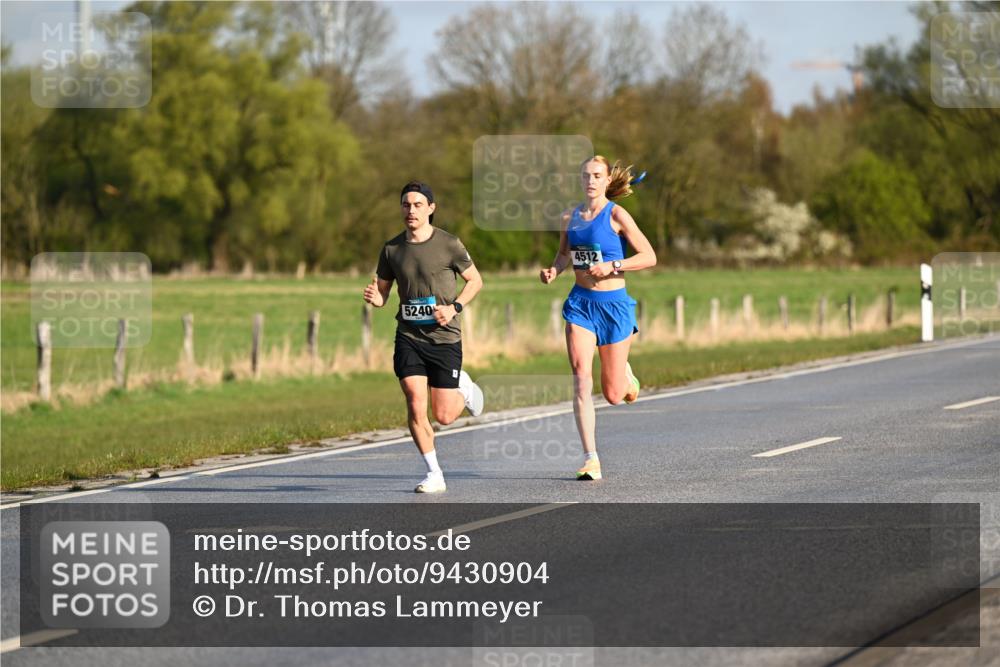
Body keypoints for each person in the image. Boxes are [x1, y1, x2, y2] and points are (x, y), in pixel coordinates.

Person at [540, 156, 657, 481]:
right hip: (581, 305)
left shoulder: (617, 215)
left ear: (606, 180)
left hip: (614, 307)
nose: (590, 180)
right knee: (581, 376)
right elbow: (564, 254)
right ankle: (590, 458)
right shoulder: (570, 217)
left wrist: (613, 266)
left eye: (596, 175)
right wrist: (554, 270)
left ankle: (626, 378)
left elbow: (649, 256)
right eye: (585, 175)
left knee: (614, 395)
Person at [364, 181, 485, 493]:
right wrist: (376, 299)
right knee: (415, 401)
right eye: (406, 205)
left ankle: (464, 389)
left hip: (444, 338)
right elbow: (383, 294)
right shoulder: (391, 249)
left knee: (443, 415)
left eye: (418, 205)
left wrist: (454, 307)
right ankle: (434, 473)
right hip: (409, 336)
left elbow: (475, 281)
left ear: (431, 208)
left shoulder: (449, 244)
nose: (411, 210)